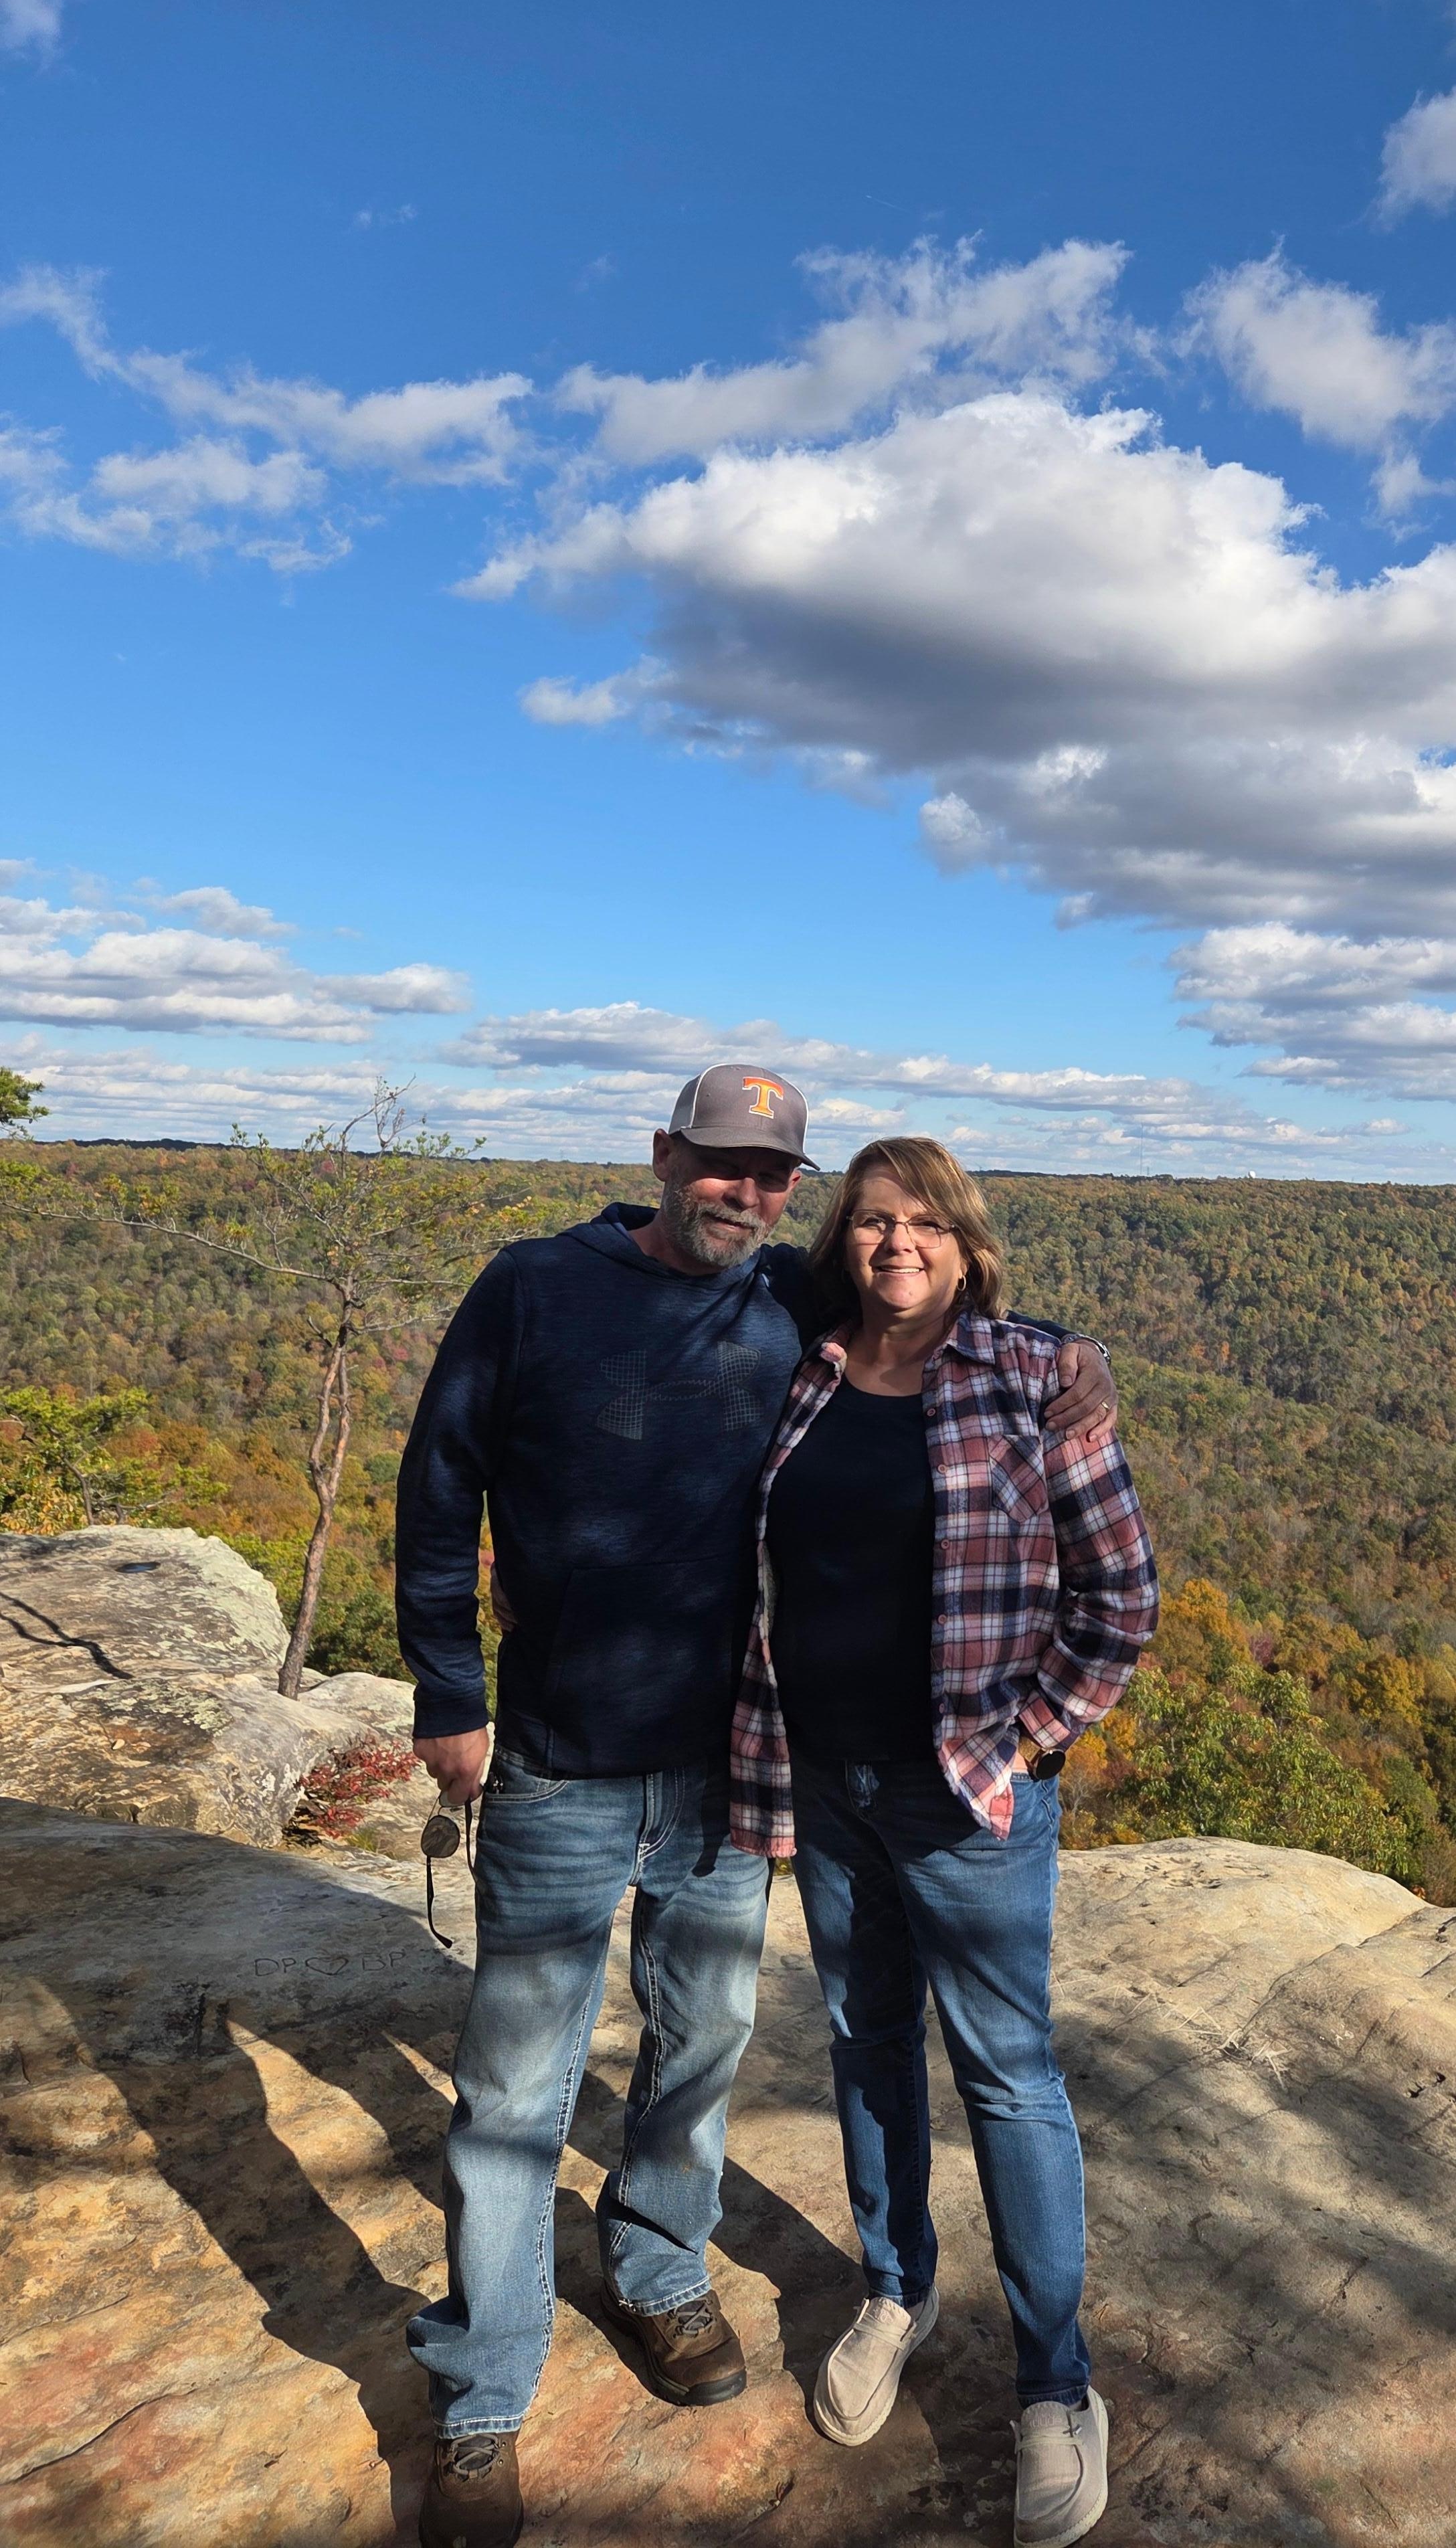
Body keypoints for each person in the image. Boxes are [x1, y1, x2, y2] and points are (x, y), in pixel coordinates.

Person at [395, 1069, 1117, 2548]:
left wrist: (1076, 1372)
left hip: (740, 1762)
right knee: (521, 2083)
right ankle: (484, 2394)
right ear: (664, 1157)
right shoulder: (538, 1286)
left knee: (709, 2040)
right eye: (722, 1163)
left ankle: (666, 2272)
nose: (748, 1192)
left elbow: (1086, 1546)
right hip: (569, 1751)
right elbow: (437, 1480)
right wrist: (448, 1690)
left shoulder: (830, 1307)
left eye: (775, 1174)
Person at [731, 1138, 1158, 2548]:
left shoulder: (1036, 1375)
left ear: (970, 1246)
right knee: (863, 2040)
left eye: (922, 1222)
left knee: (1007, 2075)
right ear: (837, 1241)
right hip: (826, 1772)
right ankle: (895, 2288)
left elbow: (1122, 1595)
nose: (894, 1243)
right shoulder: (802, 1365)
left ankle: (1055, 2381)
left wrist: (1028, 1739)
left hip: (967, 1791)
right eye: (868, 1220)